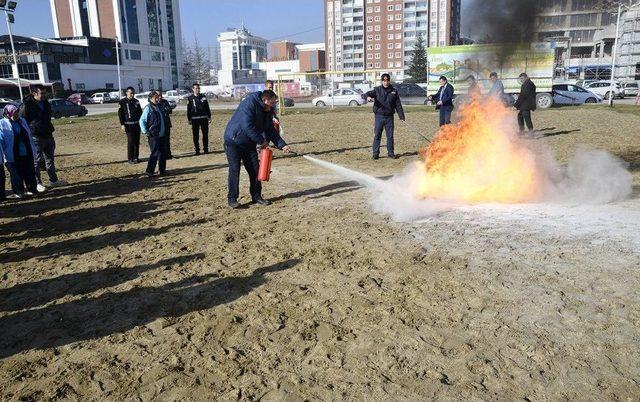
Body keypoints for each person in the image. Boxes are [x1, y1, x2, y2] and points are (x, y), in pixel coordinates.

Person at [223, 90, 292, 209]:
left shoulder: (268, 110)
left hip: (249, 142)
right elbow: (247, 126)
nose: (273, 105)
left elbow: (270, 129)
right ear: (265, 100)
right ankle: (232, 198)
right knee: (235, 169)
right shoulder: (249, 104)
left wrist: (282, 145)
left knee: (255, 170)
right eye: (272, 103)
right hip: (233, 140)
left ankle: (256, 196)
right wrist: (262, 141)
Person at [21, 85, 66, 191]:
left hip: (48, 135)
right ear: (34, 93)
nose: (44, 95)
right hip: (35, 137)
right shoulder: (26, 105)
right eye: (42, 93)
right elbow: (23, 122)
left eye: (45, 93)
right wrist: (31, 132)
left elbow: (48, 116)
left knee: (50, 159)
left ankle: (53, 180)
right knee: (36, 161)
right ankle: (38, 183)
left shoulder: (45, 103)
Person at [363, 73, 405, 160]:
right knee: (377, 135)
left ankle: (391, 153)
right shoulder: (377, 90)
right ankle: (375, 153)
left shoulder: (394, 91)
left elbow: (398, 105)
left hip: (389, 117)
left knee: (390, 136)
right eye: (384, 81)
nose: (385, 82)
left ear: (389, 81)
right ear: (382, 81)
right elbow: (366, 94)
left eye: (387, 80)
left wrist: (401, 116)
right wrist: (367, 97)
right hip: (379, 116)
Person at [0, 104, 38, 199]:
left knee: (29, 172)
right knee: (16, 175)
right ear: (7, 114)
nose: (16, 115)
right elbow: (1, 140)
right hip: (12, 154)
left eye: (17, 113)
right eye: (13, 113)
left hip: (26, 152)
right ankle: (19, 192)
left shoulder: (22, 121)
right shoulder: (2, 123)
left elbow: (29, 135)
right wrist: (4, 156)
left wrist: (34, 149)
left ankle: (32, 189)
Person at [139, 91, 168, 178]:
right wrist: (145, 131)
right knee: (155, 153)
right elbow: (142, 121)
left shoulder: (159, 106)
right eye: (155, 97)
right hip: (153, 135)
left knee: (163, 153)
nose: (157, 99)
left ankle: (162, 170)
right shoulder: (148, 108)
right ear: (151, 98)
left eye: (158, 97)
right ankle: (149, 171)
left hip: (162, 134)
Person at [118, 86, 143, 164]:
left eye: (133, 93)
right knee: (131, 141)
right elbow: (120, 114)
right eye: (131, 93)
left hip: (136, 124)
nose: (132, 95)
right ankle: (130, 158)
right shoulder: (122, 102)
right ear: (127, 93)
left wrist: (141, 123)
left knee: (136, 141)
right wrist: (122, 124)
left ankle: (136, 157)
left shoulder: (136, 101)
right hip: (128, 125)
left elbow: (140, 113)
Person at [187, 83, 211, 155]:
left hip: (204, 118)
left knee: (205, 134)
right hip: (195, 119)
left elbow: (207, 107)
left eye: (198, 88)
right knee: (195, 135)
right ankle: (197, 150)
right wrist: (189, 119)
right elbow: (188, 109)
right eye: (196, 88)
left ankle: (205, 149)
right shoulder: (190, 98)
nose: (197, 90)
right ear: (193, 89)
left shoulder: (203, 97)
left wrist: (209, 116)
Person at [158, 92, 174, 159]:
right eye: (158, 95)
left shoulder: (165, 102)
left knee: (167, 139)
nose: (160, 96)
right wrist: (164, 110)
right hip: (159, 125)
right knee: (160, 140)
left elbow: (170, 110)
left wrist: (164, 110)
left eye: (161, 95)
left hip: (166, 123)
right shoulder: (154, 104)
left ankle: (168, 154)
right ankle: (161, 154)